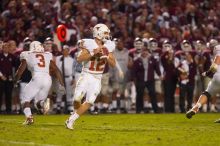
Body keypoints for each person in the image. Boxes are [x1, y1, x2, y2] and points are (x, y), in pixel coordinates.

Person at [65, 23, 116, 130]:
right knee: (77, 99)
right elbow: (79, 59)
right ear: (98, 33)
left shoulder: (108, 46)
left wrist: (106, 56)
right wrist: (93, 52)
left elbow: (113, 64)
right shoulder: (89, 43)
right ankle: (74, 114)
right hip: (87, 74)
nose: (107, 35)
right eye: (105, 33)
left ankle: (71, 120)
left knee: (90, 101)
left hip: (98, 77)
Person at [14, 41, 65, 125]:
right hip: (47, 79)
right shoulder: (47, 55)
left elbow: (20, 70)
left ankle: (29, 118)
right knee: (37, 103)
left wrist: (15, 80)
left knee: (24, 99)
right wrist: (62, 84)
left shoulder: (27, 54)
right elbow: (56, 69)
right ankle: (42, 102)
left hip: (37, 77)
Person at [186, 44, 220, 122]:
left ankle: (195, 108)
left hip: (217, 77)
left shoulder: (218, 47)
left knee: (207, 93)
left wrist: (208, 73)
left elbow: (215, 65)